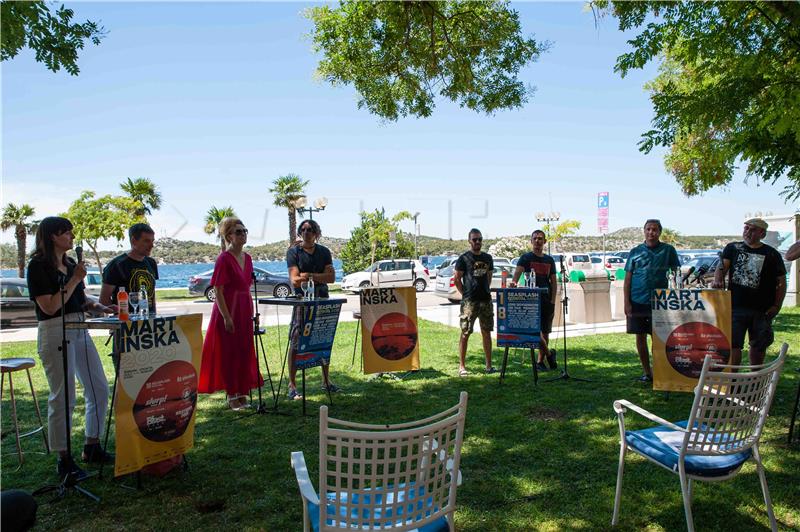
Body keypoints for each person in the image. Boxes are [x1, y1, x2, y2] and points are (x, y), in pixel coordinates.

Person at [26, 217, 116, 478]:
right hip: (55, 331)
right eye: (67, 232)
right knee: (63, 396)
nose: (72, 237)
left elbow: (79, 298)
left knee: (98, 386)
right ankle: (64, 458)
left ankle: (92, 444)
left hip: (80, 329)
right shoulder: (38, 266)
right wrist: (75, 280)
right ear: (54, 236)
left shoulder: (70, 264)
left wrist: (98, 306)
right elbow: (50, 306)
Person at [198, 218, 264, 410]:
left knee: (244, 350)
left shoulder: (249, 258)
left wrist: (254, 312)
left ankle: (243, 393)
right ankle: (232, 395)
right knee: (229, 353)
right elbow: (217, 290)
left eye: (244, 230)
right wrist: (226, 317)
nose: (243, 234)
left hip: (245, 307)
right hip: (228, 308)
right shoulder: (223, 259)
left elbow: (248, 287)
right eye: (238, 232)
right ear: (229, 236)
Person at [712, 218, 786, 366]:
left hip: (762, 310)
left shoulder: (772, 254)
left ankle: (755, 380)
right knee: (733, 345)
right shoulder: (733, 248)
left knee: (758, 346)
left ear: (762, 233)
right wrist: (718, 279)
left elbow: (781, 283)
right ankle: (733, 383)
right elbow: (721, 268)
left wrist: (776, 306)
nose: (748, 232)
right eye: (746, 228)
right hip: (735, 307)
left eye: (752, 230)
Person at [286, 219, 338, 399]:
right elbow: (294, 279)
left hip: (322, 300)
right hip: (302, 302)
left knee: (323, 339)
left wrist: (308, 275)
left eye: (311, 229)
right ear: (300, 232)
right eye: (303, 229)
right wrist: (318, 277)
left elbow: (331, 278)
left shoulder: (324, 252)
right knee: (296, 341)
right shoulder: (294, 252)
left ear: (317, 233)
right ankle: (292, 385)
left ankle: (326, 381)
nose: (307, 232)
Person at [623, 219, 681, 382]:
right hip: (637, 300)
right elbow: (627, 280)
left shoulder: (668, 250)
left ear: (659, 232)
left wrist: (675, 298)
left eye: (654, 229)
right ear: (644, 231)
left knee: (659, 338)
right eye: (648, 229)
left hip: (659, 301)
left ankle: (660, 371)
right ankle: (647, 372)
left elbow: (676, 275)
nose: (651, 232)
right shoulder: (635, 252)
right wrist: (626, 303)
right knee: (639, 337)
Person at [510, 230, 558, 372]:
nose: (538, 241)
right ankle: (550, 355)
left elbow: (554, 283)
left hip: (546, 300)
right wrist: (513, 283)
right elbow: (516, 276)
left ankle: (540, 362)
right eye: (535, 238)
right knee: (534, 332)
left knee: (545, 332)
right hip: (530, 302)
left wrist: (553, 301)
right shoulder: (525, 258)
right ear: (531, 241)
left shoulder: (549, 260)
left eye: (540, 239)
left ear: (544, 241)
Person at [455, 228, 496, 376]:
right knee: (465, 333)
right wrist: (465, 294)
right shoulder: (464, 258)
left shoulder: (488, 258)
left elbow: (489, 277)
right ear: (469, 241)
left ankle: (489, 366)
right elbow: (457, 279)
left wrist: (484, 289)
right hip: (469, 303)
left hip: (485, 300)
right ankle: (462, 366)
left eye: (479, 239)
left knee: (486, 332)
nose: (477, 242)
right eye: (474, 239)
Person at [100, 223, 159, 313]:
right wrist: (120, 314)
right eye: (146, 241)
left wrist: (154, 316)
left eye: (152, 241)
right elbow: (104, 300)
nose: (151, 245)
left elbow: (152, 295)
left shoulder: (151, 263)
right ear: (134, 241)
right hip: (126, 323)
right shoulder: (117, 265)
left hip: (148, 322)